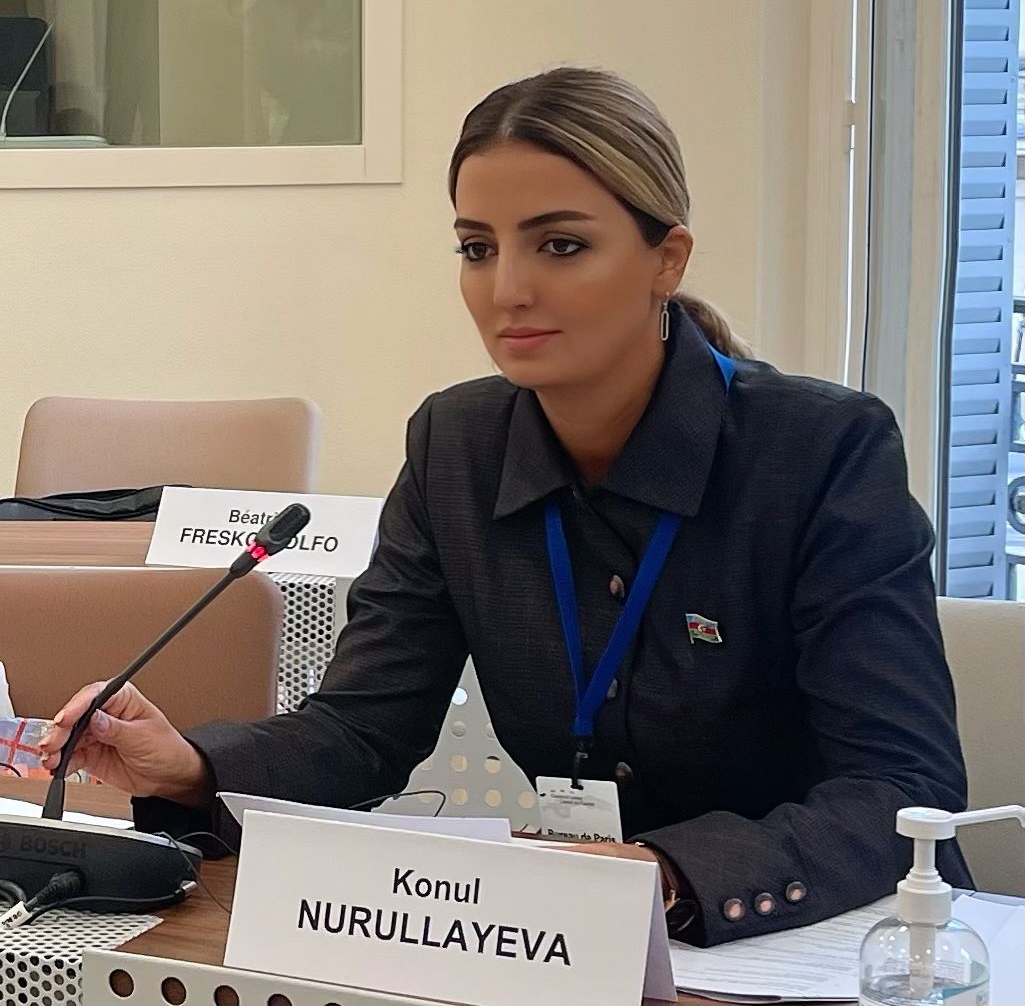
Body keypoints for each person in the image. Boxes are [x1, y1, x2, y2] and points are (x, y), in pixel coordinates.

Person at [41, 67, 970, 947]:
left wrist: (668, 874)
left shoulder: (821, 449)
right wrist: (194, 765)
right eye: (477, 248)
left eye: (560, 246)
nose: (507, 290)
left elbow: (902, 786)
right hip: (579, 936)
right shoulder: (455, 445)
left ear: (665, 258)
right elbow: (364, 729)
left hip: (834, 934)